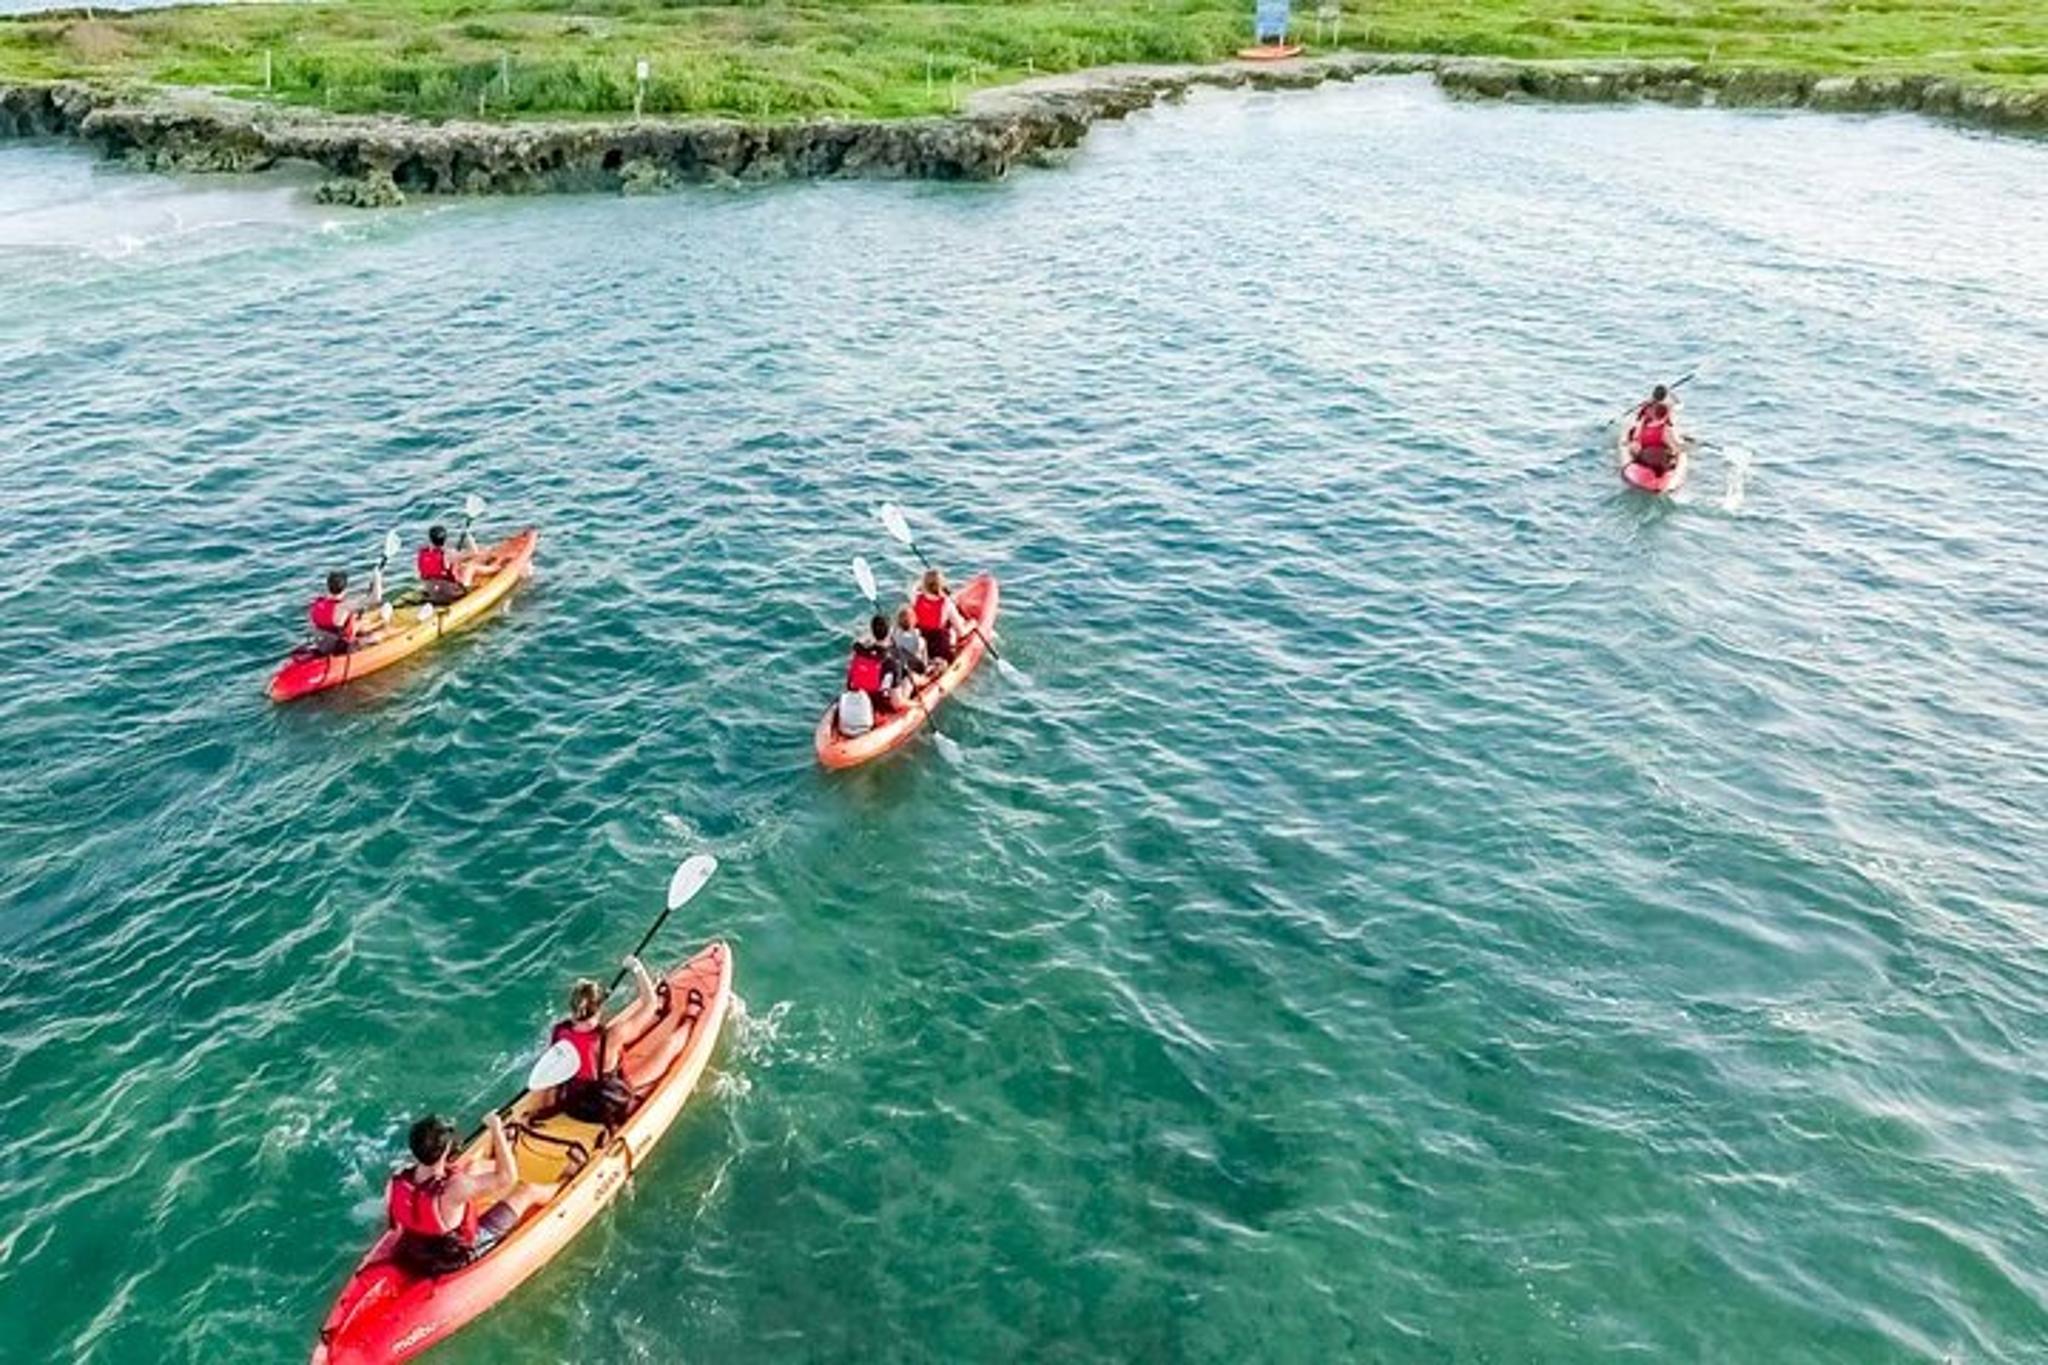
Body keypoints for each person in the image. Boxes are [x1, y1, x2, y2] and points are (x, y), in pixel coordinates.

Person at [385, 1112, 554, 1278]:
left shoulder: (396, 1179)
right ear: (445, 1152)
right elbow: (508, 1178)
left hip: (414, 1250)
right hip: (451, 1257)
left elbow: (396, 1218)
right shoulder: (456, 1187)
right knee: (527, 1191)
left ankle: (506, 1151)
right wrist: (496, 1128)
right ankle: (564, 1181)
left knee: (474, 1166)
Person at [550, 955, 707, 1126]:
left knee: (618, 1040)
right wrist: (637, 968)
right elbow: (650, 1002)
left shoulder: (560, 1032)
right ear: (599, 1009)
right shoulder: (614, 1034)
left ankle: (656, 1019)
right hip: (605, 1108)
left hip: (575, 1105)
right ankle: (689, 1021)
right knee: (667, 1047)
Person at [910, 569, 971, 667]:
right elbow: (962, 632)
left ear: (924, 585)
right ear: (941, 585)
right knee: (952, 627)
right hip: (938, 648)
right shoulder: (946, 603)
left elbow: (915, 586)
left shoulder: (915, 598)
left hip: (920, 642)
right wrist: (972, 624)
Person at [307, 571, 373, 655]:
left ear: (328, 587)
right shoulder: (344, 606)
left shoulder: (316, 603)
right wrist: (377, 577)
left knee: (355, 621)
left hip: (322, 645)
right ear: (345, 589)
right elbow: (376, 598)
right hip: (341, 648)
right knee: (376, 637)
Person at [1628, 385, 1684, 475]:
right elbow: (1680, 405)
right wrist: (1672, 394)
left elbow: (1638, 420)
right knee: (1674, 445)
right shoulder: (1668, 408)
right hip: (1661, 439)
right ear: (1665, 397)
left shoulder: (1646, 406)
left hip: (1646, 438)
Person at [415, 525, 471, 607]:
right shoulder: (449, 554)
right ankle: (469, 589)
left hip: (432, 592)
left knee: (456, 567)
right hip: (450, 595)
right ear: (445, 539)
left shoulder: (422, 553)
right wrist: (468, 539)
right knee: (471, 567)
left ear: (430, 539)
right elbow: (475, 553)